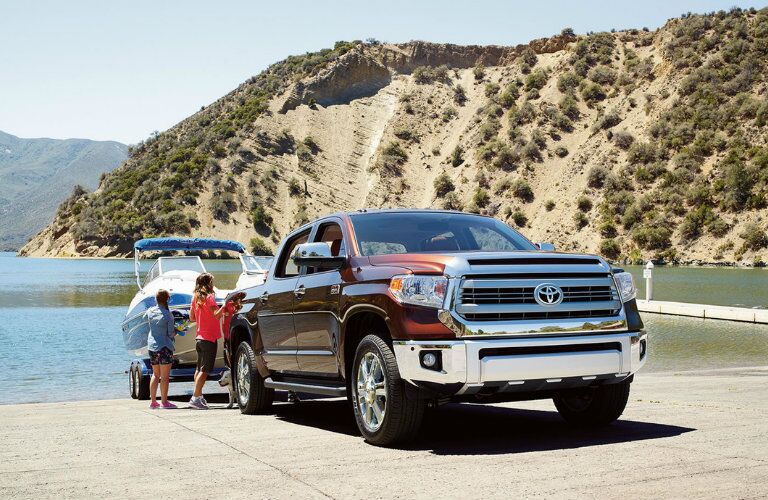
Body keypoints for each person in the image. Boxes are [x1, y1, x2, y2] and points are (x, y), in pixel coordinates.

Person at [188, 273, 228, 410]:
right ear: (208, 283)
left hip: (199, 338)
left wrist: (203, 316)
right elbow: (216, 315)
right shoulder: (209, 297)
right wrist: (225, 306)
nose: (213, 284)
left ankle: (198, 396)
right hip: (209, 338)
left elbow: (192, 317)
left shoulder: (195, 297)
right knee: (204, 371)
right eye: (212, 281)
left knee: (199, 369)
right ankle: (195, 398)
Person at [147, 289, 177, 409]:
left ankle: (153, 402)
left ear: (156, 299)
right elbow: (170, 334)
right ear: (167, 299)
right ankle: (164, 402)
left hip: (152, 347)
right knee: (164, 377)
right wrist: (178, 330)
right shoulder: (168, 315)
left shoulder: (150, 312)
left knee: (155, 375)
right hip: (164, 347)